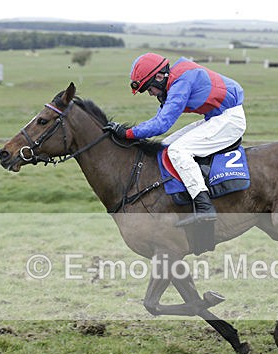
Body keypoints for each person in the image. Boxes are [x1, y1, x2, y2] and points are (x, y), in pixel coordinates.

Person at [104, 53, 246, 226]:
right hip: (217, 117)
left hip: (230, 120)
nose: (150, 94)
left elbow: (162, 124)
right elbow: (159, 119)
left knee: (178, 151)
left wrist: (127, 133)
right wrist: (130, 132)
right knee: (165, 146)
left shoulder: (181, 82)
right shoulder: (173, 80)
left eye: (149, 89)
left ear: (158, 77)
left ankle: (204, 207)